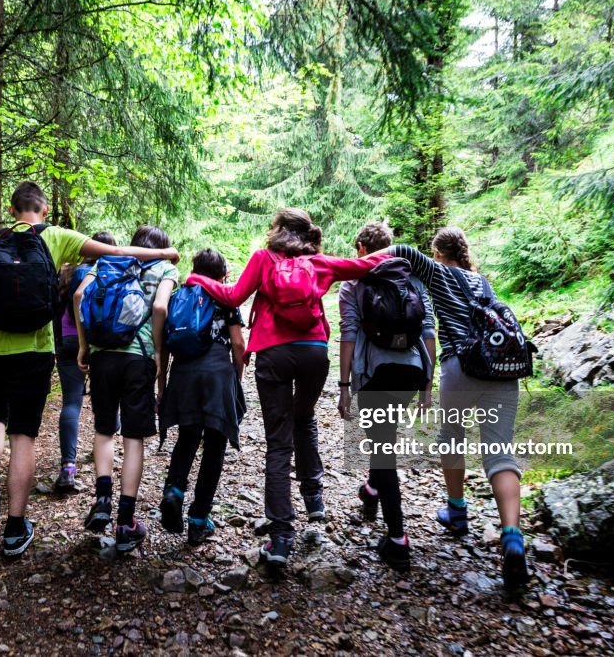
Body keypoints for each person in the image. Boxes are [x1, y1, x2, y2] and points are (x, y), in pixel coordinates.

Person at [0, 182, 178, 557]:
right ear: (44, 210)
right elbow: (115, 251)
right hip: (34, 349)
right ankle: (15, 527)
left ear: (13, 209)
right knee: (24, 435)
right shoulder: (57, 236)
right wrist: (166, 252)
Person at [187, 208, 385, 569]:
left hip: (273, 353)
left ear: (278, 230)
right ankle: (314, 500)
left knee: (278, 442)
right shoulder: (320, 262)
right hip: (313, 351)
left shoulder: (264, 259)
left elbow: (232, 296)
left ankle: (281, 537)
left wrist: (198, 280)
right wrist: (404, 253)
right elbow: (367, 265)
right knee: (304, 418)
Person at [382, 227, 528, 588]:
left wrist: (359, 266)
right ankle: (512, 536)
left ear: (438, 252)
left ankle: (457, 511)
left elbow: (399, 249)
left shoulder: (440, 272)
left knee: (453, 438)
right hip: (502, 369)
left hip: (461, 367)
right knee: (500, 453)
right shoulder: (482, 282)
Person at [337, 222, 436, 572]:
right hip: (411, 372)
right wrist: (427, 384)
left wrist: (344, 386)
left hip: (375, 374)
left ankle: (397, 539)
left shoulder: (353, 284)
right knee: (386, 440)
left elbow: (348, 335)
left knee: (384, 452)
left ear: (362, 248)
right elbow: (427, 332)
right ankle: (371, 491)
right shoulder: (412, 278)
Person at [75, 225, 178, 553]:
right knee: (133, 438)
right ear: (162, 246)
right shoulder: (164, 266)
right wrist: (158, 351)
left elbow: (79, 296)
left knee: (104, 431)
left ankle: (102, 499)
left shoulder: (107, 261)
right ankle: (126, 521)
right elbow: (160, 307)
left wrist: (83, 346)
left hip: (103, 355)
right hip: (139, 358)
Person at [158, 249, 247, 546]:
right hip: (217, 375)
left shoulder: (178, 295)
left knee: (186, 439)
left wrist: (162, 383)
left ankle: (173, 492)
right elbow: (238, 342)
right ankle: (198, 519)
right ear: (222, 274)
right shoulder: (225, 297)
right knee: (214, 446)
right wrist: (237, 377)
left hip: (184, 374)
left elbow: (166, 344)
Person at [53, 231, 117, 494]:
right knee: (109, 396)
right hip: (97, 342)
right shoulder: (106, 273)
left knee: (71, 401)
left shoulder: (68, 272)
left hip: (65, 340)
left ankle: (68, 467)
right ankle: (102, 445)